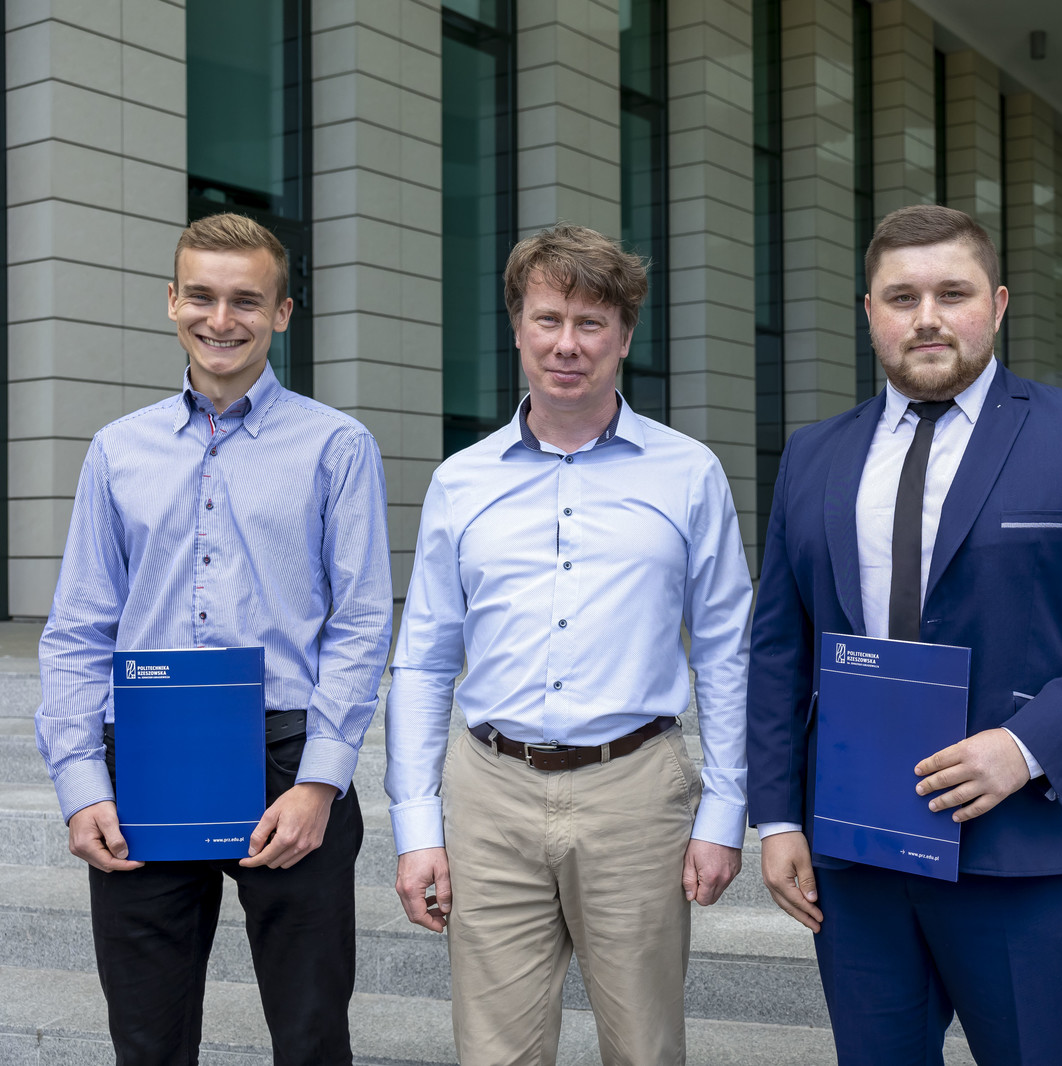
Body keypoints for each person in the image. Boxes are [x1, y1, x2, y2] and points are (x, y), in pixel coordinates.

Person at [746, 204, 1062, 1064]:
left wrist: (1025, 747)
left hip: (1022, 847)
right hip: (857, 855)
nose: (928, 318)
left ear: (999, 303)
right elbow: (779, 649)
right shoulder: (813, 455)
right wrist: (778, 818)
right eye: (901, 297)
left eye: (953, 293)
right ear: (868, 311)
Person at [384, 223, 752, 1065]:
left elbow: (727, 653)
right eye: (548, 319)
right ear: (517, 327)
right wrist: (416, 826)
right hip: (490, 794)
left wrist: (725, 812)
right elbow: (424, 661)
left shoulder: (689, 474)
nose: (567, 344)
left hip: (637, 792)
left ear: (624, 335)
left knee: (645, 1050)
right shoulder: (460, 482)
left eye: (591, 323)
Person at [34, 212, 394, 1064]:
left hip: (287, 758)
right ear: (171, 301)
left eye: (246, 300)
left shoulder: (337, 447)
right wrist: (82, 784)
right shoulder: (117, 451)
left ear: (282, 313)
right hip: (146, 758)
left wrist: (321, 782)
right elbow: (79, 625)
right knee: (147, 1040)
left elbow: (362, 621)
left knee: (310, 1037)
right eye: (201, 296)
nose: (220, 319)